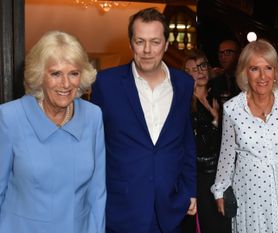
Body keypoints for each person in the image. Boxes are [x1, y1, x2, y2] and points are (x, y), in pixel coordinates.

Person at [90, 8, 196, 233]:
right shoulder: (106, 84)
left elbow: (185, 141)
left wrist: (190, 190)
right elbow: (92, 146)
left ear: (166, 44)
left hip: (170, 210)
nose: (147, 50)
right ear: (131, 44)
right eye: (140, 41)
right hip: (121, 211)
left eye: (155, 42)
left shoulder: (184, 84)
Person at [0, 30, 106, 233]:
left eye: (73, 73)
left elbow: (97, 194)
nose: (66, 84)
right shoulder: (9, 118)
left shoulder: (93, 116)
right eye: (56, 73)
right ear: (39, 75)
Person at [211, 39, 278, 233]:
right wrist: (219, 190)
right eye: (254, 68)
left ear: (276, 71)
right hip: (250, 192)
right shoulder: (232, 109)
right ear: (245, 72)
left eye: (268, 68)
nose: (262, 76)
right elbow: (227, 154)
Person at [181, 51, 231, 233]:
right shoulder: (183, 103)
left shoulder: (218, 96)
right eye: (193, 69)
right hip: (199, 175)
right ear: (186, 74)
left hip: (221, 172)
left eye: (202, 66)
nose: (200, 71)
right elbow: (195, 144)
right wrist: (215, 121)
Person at [210, 39, 241, 106]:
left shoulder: (248, 80)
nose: (223, 57)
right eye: (221, 53)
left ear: (238, 55)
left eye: (228, 52)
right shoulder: (215, 83)